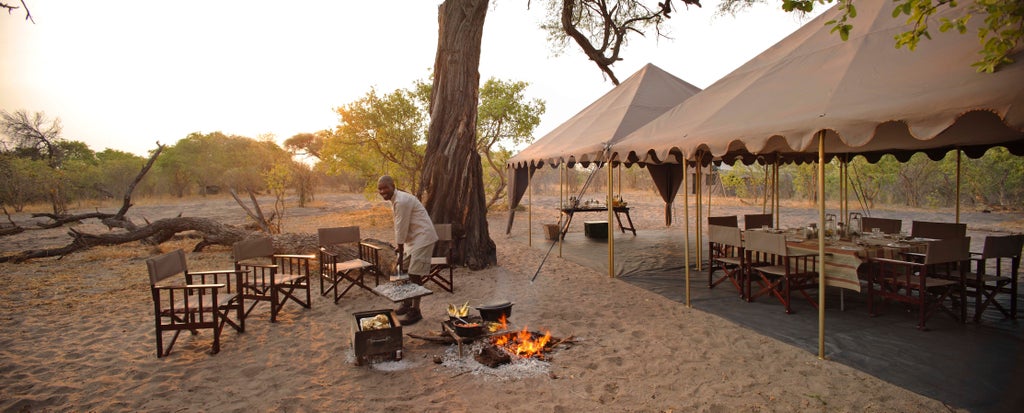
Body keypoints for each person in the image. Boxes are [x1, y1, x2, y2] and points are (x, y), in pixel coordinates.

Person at [377, 175, 438, 325]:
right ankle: (406, 302)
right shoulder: (396, 199)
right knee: (402, 269)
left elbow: (401, 226)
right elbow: (401, 225)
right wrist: (401, 249)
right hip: (413, 239)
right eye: (380, 189)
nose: (382, 191)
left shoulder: (402, 201)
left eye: (385, 187)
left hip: (423, 238)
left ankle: (415, 311)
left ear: (393, 186)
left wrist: (400, 249)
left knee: (414, 274)